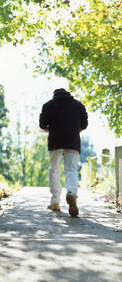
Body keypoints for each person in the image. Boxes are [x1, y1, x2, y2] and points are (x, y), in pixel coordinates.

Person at [39, 88, 88, 216]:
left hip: (55, 141)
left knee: (54, 169)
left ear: (54, 95)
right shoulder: (78, 105)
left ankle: (55, 202)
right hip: (73, 141)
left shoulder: (48, 105)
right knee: (71, 170)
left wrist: (54, 130)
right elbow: (84, 124)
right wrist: (73, 131)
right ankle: (71, 192)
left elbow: (42, 125)